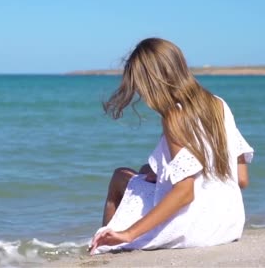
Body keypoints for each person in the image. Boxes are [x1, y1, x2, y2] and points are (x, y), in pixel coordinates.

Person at [89, 38, 254, 255]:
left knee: (120, 176)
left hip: (197, 229)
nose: (140, 92)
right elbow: (241, 178)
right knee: (144, 172)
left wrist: (129, 233)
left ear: (153, 81)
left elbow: (185, 192)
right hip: (228, 224)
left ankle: (105, 245)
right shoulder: (219, 104)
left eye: (140, 83)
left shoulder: (174, 116)